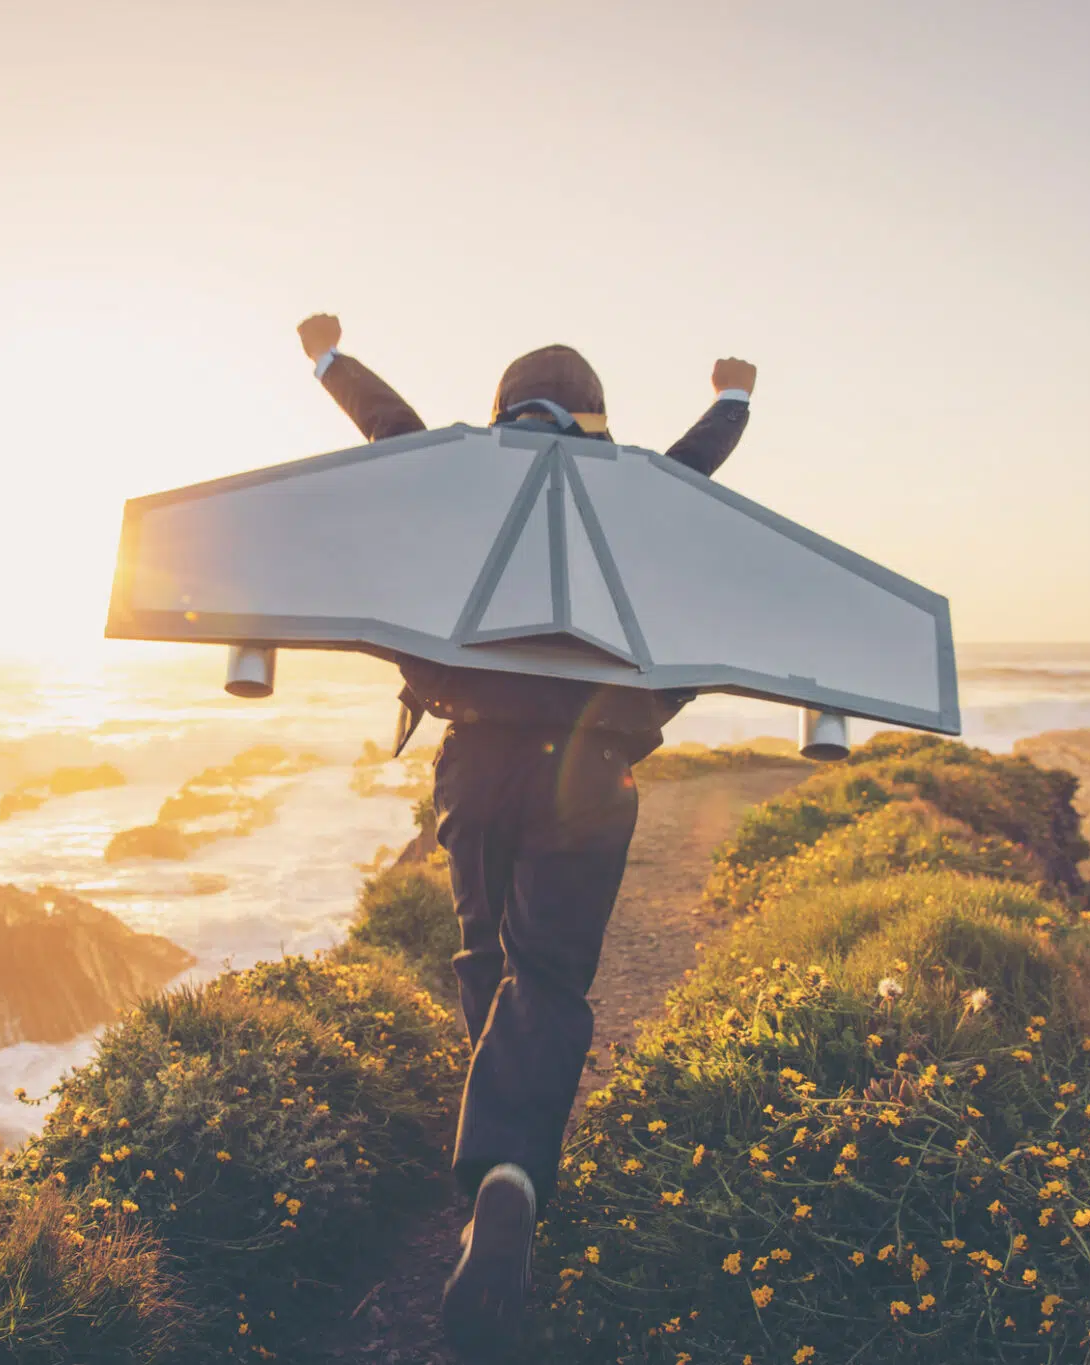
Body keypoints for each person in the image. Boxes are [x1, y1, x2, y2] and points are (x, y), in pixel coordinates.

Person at [296, 314, 757, 1356]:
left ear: (502, 409)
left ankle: (494, 1139)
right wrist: (730, 401)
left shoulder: (469, 484)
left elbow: (392, 434)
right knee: (544, 978)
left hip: (473, 758)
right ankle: (506, 1169)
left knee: (483, 954)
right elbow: (688, 477)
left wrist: (330, 361)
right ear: (595, 418)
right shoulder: (627, 499)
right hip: (588, 766)